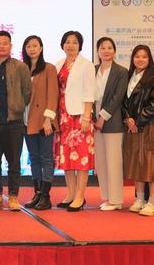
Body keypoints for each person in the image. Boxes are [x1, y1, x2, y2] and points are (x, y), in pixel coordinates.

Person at [122, 45, 154, 216]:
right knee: (137, 162)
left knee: (152, 163)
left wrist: (138, 121)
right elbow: (123, 102)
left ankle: (152, 202)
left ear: (149, 59)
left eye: (144, 56)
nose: (140, 59)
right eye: (137, 56)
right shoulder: (129, 76)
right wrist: (127, 119)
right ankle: (140, 199)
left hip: (149, 126)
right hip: (132, 127)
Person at [0, 31, 31, 211]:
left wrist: (17, 106)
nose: (1, 46)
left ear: (11, 46)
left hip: (13, 122)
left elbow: (27, 92)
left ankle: (13, 196)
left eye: (5, 43)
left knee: (14, 162)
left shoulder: (20, 67)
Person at [54, 30, 95, 212]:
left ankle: (80, 196)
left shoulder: (86, 65)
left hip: (80, 117)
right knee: (67, 158)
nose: (70, 45)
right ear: (62, 45)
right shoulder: (58, 64)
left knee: (82, 158)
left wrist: (86, 116)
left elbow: (89, 92)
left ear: (80, 45)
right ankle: (70, 194)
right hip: (63, 116)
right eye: (67, 42)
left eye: (74, 42)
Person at [22, 35, 58, 211]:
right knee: (34, 157)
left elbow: (53, 94)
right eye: (28, 46)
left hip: (44, 120)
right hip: (26, 119)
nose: (32, 49)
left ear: (41, 48)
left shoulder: (49, 68)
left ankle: (46, 196)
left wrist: (48, 119)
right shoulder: (23, 68)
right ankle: (37, 193)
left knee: (46, 157)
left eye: (35, 45)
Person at [93, 37, 129, 211]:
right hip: (94, 120)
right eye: (102, 48)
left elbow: (117, 97)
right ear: (98, 51)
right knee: (100, 162)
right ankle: (107, 197)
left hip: (112, 120)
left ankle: (116, 200)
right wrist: (92, 117)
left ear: (114, 51)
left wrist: (102, 117)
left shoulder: (121, 71)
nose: (106, 51)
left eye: (109, 48)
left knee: (114, 161)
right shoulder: (93, 70)